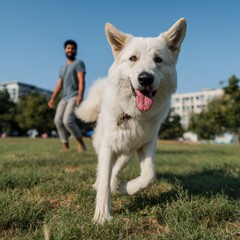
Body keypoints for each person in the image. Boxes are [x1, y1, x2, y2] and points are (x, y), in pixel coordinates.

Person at [48, 39, 86, 153]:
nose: (70, 50)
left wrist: (80, 96)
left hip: (74, 96)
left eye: (72, 48)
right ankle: (65, 146)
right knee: (57, 121)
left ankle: (81, 143)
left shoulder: (79, 63)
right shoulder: (63, 67)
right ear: (65, 50)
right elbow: (59, 84)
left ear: (75, 50)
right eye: (68, 48)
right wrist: (52, 98)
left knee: (67, 121)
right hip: (64, 97)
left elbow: (81, 80)